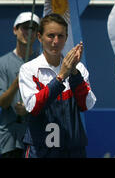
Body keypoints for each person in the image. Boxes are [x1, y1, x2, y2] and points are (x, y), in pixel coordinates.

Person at [19, 13, 97, 158]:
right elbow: (33, 107)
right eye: (50, 35)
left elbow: (87, 104)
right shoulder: (28, 69)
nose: (56, 41)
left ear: (66, 38)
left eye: (60, 36)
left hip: (73, 150)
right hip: (40, 149)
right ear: (39, 37)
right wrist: (60, 77)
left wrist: (73, 73)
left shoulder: (79, 69)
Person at [0, 12, 40, 158]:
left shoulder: (43, 63)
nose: (28, 32)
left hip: (36, 139)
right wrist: (17, 82)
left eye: (33, 29)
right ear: (15, 30)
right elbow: (3, 103)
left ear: (38, 34)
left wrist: (28, 109)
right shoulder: (2, 63)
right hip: (9, 140)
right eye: (24, 28)